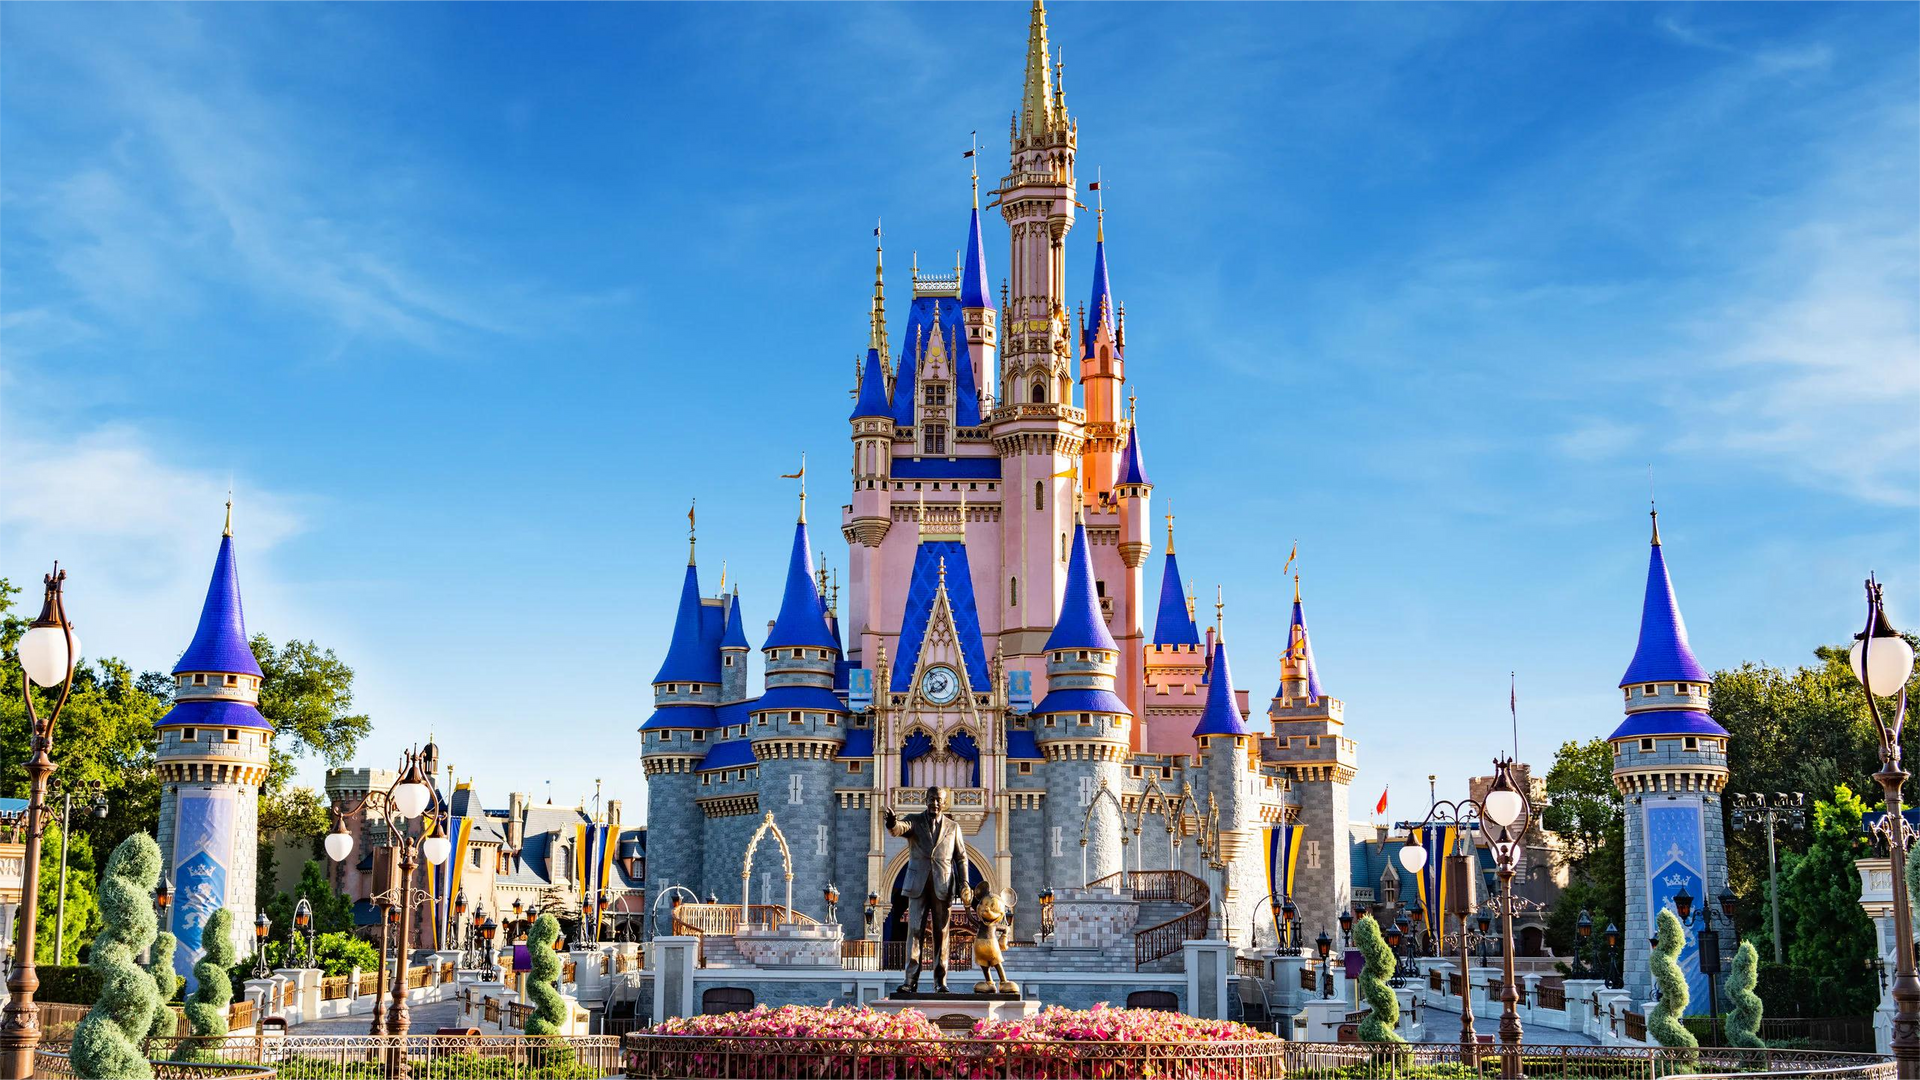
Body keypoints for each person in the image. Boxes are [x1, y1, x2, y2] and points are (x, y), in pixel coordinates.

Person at [883, 786, 971, 993]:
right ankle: (910, 980)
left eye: (939, 800)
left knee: (942, 934)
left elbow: (961, 857)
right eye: (932, 799)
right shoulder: (914, 820)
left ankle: (940, 982)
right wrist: (891, 823)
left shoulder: (953, 827)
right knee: (914, 932)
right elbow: (899, 829)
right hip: (918, 885)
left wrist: (965, 882)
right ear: (926, 800)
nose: (935, 803)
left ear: (944, 802)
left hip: (943, 885)